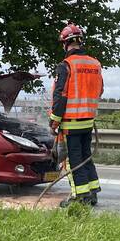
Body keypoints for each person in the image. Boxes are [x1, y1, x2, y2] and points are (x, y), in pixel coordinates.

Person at [49, 23, 103, 207]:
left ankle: (79, 197)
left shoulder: (66, 65)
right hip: (88, 121)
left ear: (65, 44)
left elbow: (61, 96)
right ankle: (92, 193)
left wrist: (54, 121)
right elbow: (100, 90)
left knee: (73, 161)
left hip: (71, 123)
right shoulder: (95, 64)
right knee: (86, 156)